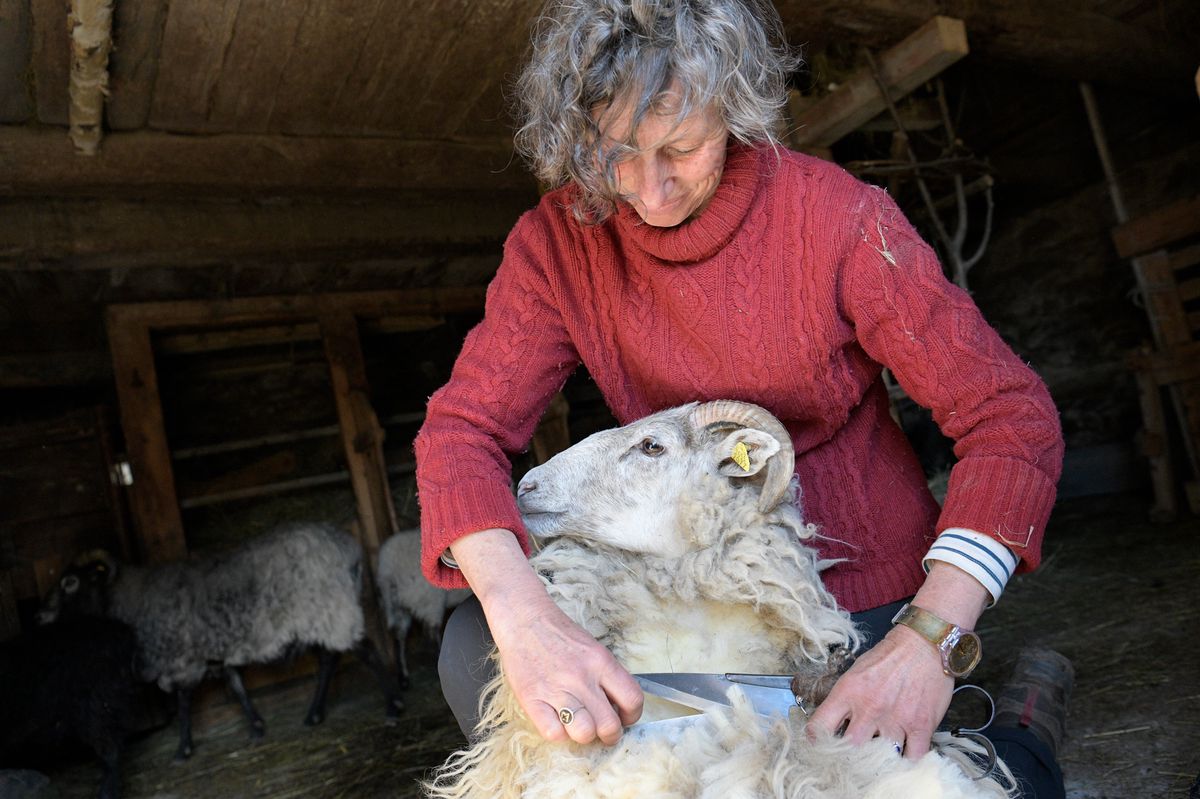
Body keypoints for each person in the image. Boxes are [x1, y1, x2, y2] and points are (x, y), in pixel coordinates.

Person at [414, 0, 1072, 796]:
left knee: (941, 782)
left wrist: (928, 638)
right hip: (679, 588)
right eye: (613, 153)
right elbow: (461, 433)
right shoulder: (561, 244)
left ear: (734, 103)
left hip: (843, 597)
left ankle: (1023, 727)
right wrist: (526, 621)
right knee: (470, 652)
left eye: (679, 148)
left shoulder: (838, 222)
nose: (648, 189)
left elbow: (1011, 418)